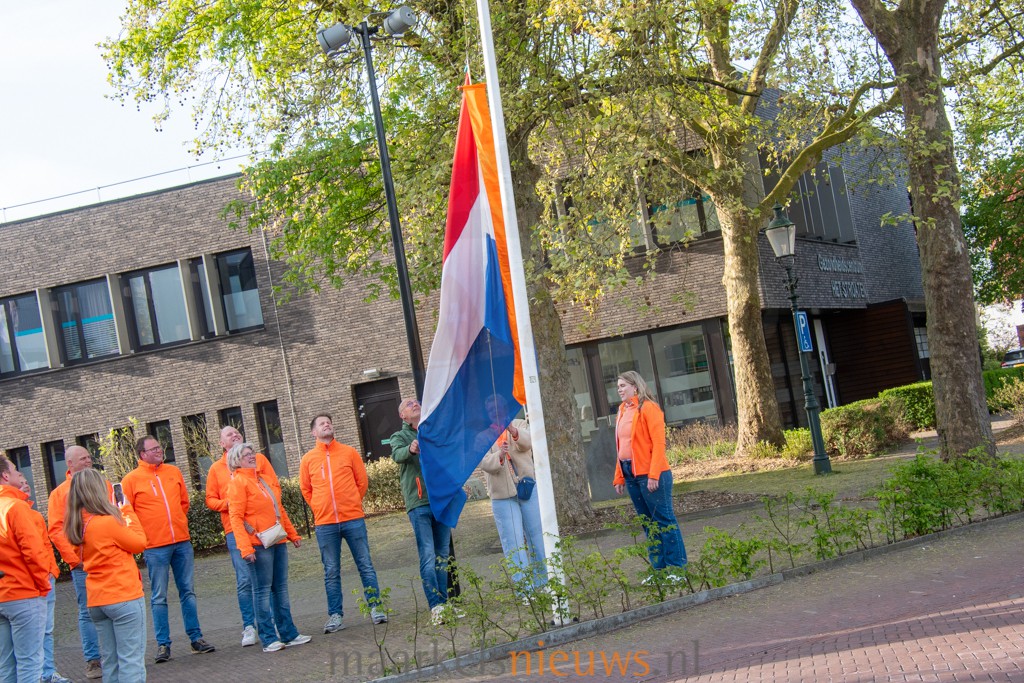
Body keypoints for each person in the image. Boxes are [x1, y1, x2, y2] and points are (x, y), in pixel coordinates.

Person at [121, 436, 216, 663]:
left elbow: (183, 503)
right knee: (159, 596)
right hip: (155, 547)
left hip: (181, 542)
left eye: (159, 447)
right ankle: (163, 644)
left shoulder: (173, 472)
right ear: (142, 454)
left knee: (188, 593)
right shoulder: (131, 480)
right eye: (153, 449)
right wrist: (146, 535)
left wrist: (177, 524)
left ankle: (196, 638)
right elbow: (127, 513)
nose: (159, 451)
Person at [300, 414, 386, 633]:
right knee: (331, 570)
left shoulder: (349, 452)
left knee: (365, 565)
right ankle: (335, 615)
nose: (327, 424)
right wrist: (320, 507)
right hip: (325, 524)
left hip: (353, 519)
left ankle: (376, 607)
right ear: (314, 432)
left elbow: (362, 482)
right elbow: (306, 489)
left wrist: (353, 502)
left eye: (328, 422)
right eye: (322, 423)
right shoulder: (308, 459)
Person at [64, 469, 149, 683]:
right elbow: (139, 543)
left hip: (97, 598)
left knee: (111, 662)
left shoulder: (75, 526)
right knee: (131, 661)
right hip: (122, 595)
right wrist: (127, 510)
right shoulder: (106, 521)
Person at [226, 443, 311, 653]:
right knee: (262, 591)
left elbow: (278, 509)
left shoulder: (261, 480)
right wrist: (245, 549)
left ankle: (289, 633)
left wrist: (292, 534)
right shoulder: (238, 483)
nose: (252, 457)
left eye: (252, 453)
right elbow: (235, 518)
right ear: (237, 460)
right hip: (258, 544)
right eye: (246, 455)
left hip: (277, 540)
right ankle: (268, 637)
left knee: (280, 589)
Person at [206, 425, 279, 647]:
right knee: (245, 580)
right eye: (229, 434)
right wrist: (229, 504)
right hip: (234, 530)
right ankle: (249, 625)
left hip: (264, 529)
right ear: (222, 444)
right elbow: (210, 499)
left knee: (269, 579)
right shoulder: (216, 469)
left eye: (237, 432)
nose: (235, 434)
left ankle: (270, 621)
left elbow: (273, 486)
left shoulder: (258, 459)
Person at [389, 398, 457, 625]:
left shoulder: (432, 429)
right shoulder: (400, 437)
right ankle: (435, 606)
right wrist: (410, 448)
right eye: (408, 404)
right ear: (402, 416)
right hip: (419, 505)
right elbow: (397, 454)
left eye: (415, 401)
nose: (414, 404)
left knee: (442, 556)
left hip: (441, 501)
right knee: (428, 555)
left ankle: (445, 605)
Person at [612, 371, 688, 573]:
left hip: (652, 473)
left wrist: (654, 475)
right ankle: (660, 570)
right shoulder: (621, 411)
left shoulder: (648, 408)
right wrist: (619, 476)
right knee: (648, 523)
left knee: (664, 520)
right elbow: (622, 447)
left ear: (635, 387)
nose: (619, 389)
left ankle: (677, 568)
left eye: (623, 386)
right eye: (618, 386)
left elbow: (659, 443)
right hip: (631, 474)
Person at [45, 445, 104, 679]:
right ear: (69, 464)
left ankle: (115, 655)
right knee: (87, 611)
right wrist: (74, 559)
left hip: (106, 559)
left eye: (89, 457)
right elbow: (56, 530)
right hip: (82, 564)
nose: (89, 461)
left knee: (115, 607)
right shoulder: (59, 494)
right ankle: (93, 660)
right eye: (83, 458)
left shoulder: (102, 483)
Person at [478, 405, 547, 594]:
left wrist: (514, 432)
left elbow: (528, 443)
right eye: (492, 410)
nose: (496, 413)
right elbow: (483, 462)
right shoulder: (482, 436)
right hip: (502, 497)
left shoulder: (518, 423)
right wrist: (499, 455)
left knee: (537, 536)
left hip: (527, 489)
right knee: (513, 542)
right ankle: (524, 588)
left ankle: (544, 581)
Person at [0, 455, 51, 683]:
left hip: (3, 594)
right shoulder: (16, 507)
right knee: (30, 663)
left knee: (6, 665)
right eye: (14, 469)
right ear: (5, 476)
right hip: (23, 592)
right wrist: (42, 586)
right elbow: (34, 552)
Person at [17, 477, 70, 683]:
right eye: (20, 481)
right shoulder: (15, 512)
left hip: (46, 578)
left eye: (26, 480)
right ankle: (37, 674)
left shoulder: (35, 515)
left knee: (47, 630)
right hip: (30, 584)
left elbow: (45, 546)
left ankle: (48, 671)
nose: (26, 484)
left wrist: (52, 571)